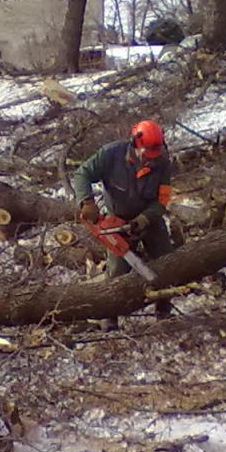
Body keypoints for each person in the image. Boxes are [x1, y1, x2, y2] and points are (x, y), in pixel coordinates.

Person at [71, 119, 175, 319]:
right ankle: (110, 318)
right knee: (117, 273)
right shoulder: (111, 154)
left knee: (166, 262)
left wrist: (144, 219)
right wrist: (87, 201)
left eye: (155, 151)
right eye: (147, 152)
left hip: (149, 218)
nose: (150, 158)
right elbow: (82, 174)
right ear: (135, 143)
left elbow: (162, 200)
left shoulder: (163, 162)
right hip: (117, 220)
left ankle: (164, 310)